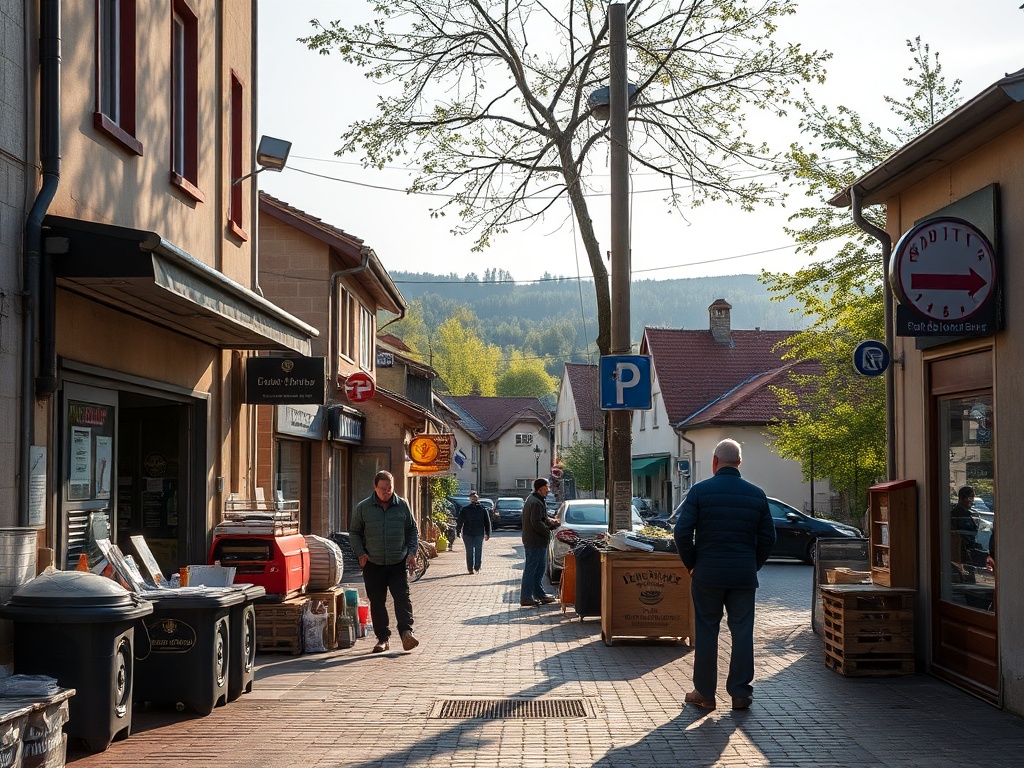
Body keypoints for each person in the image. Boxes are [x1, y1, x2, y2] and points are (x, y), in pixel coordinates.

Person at [673, 439, 776, 712]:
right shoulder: (757, 494)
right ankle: (740, 693)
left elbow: (682, 532)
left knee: (707, 630)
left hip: (707, 574)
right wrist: (752, 564)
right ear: (739, 463)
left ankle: (705, 693)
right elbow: (769, 537)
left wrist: (692, 563)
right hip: (743, 575)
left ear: (715, 462)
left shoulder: (700, 491)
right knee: (742, 632)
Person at [349, 470, 420, 653]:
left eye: (390, 488)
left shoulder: (402, 505)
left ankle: (406, 632)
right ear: (375, 487)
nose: (387, 492)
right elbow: (355, 532)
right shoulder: (363, 508)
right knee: (377, 602)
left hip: (397, 562)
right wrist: (360, 553)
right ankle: (382, 639)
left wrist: (411, 553)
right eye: (383, 489)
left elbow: (412, 530)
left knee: (402, 598)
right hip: (373, 563)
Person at [520, 478, 560, 607]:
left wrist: (550, 521)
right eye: (547, 487)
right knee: (532, 569)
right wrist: (548, 531)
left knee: (539, 569)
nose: (548, 490)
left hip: (535, 540)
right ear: (540, 488)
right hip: (535, 541)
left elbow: (541, 518)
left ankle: (539, 594)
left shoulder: (536, 500)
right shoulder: (536, 502)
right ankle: (526, 597)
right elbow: (536, 523)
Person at [456, 491, 491, 574]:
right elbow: (460, 521)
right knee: (469, 551)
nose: (474, 499)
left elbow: (487, 522)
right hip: (468, 533)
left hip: (479, 533)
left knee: (478, 550)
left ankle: (477, 566)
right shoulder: (465, 509)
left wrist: (488, 533)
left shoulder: (483, 509)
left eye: (475, 497)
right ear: (470, 499)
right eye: (472, 497)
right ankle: (470, 568)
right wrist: (458, 530)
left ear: (478, 498)